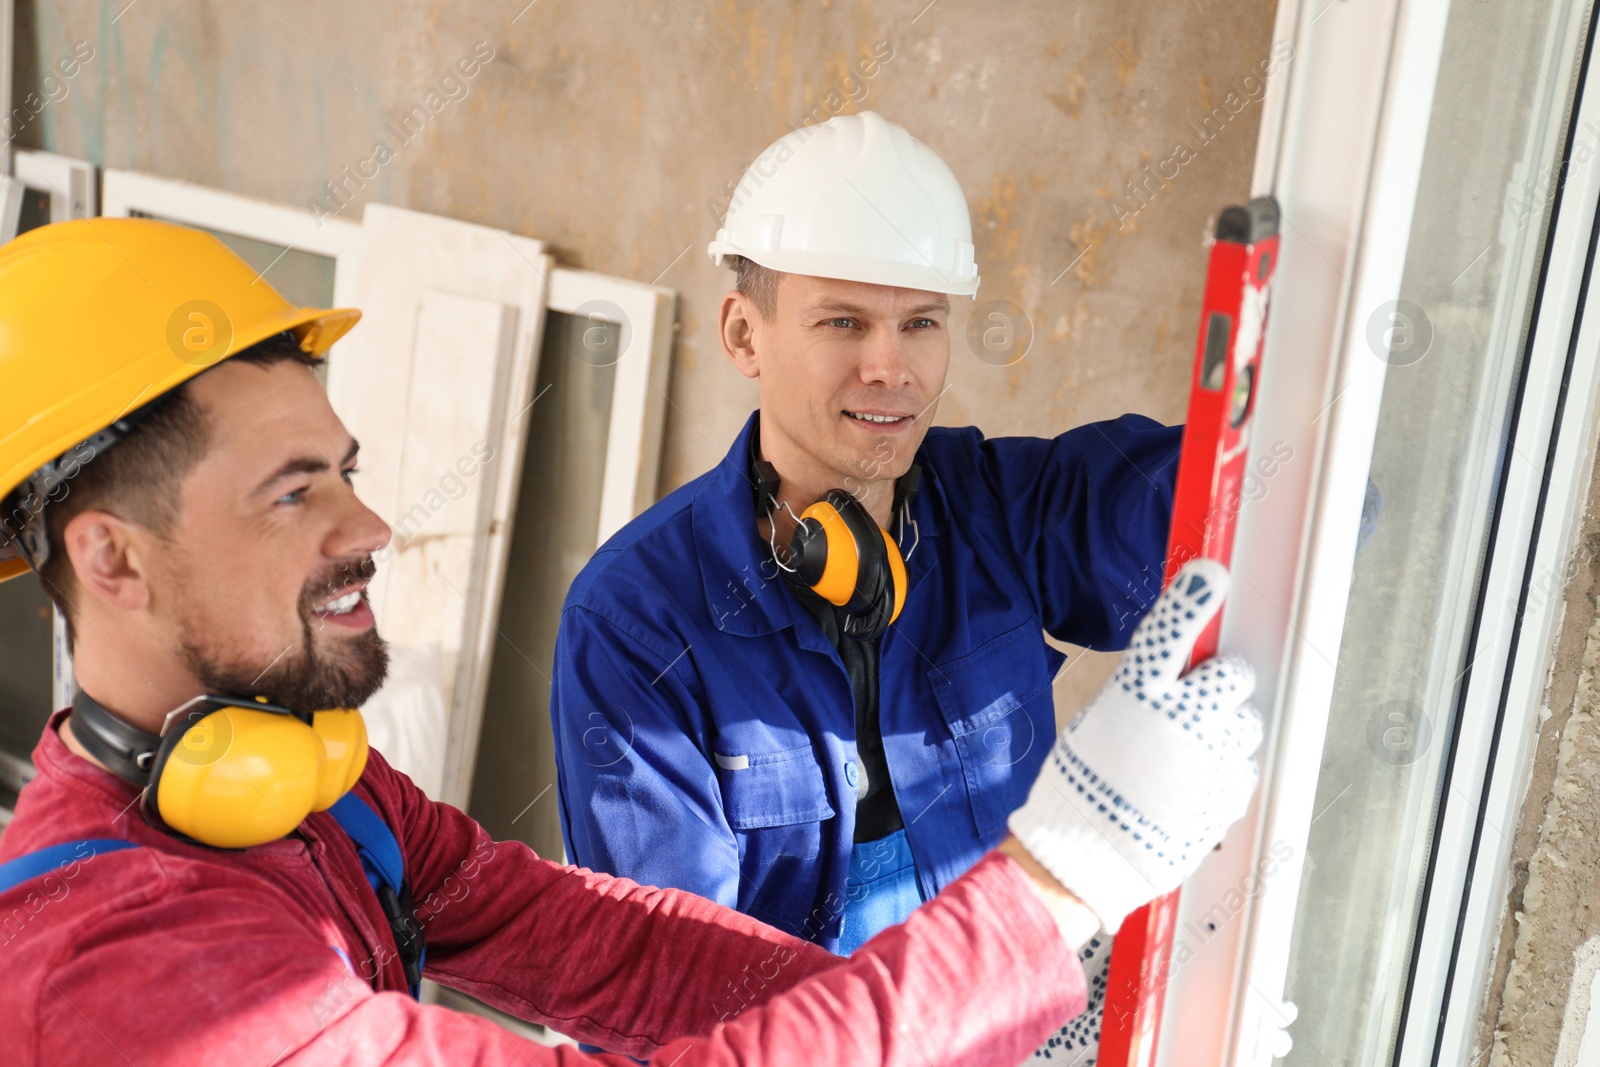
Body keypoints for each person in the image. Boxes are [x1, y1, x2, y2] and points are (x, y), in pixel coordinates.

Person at [0, 217, 1259, 1066]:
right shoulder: (130, 974)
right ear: (112, 557)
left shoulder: (301, 783)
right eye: (294, 491)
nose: (370, 524)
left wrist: (1004, 1003)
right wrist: (1056, 887)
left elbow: (601, 940)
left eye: (347, 471)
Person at [550, 110, 1179, 970]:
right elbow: (670, 987)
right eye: (843, 323)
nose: (893, 368)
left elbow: (1235, 499)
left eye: (921, 322)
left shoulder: (999, 512)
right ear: (744, 334)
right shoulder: (638, 620)